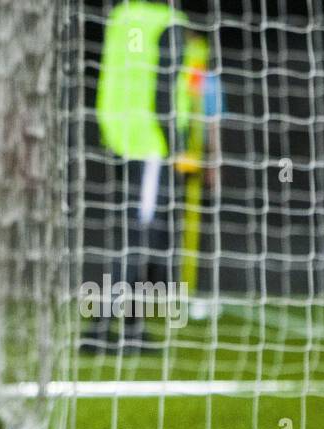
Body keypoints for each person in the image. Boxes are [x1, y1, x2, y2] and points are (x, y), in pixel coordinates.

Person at [87, 0, 205, 351]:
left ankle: (128, 328)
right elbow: (163, 89)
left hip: (121, 133)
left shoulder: (123, 14)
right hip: (150, 141)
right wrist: (176, 144)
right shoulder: (167, 23)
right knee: (138, 237)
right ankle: (101, 330)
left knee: (134, 233)